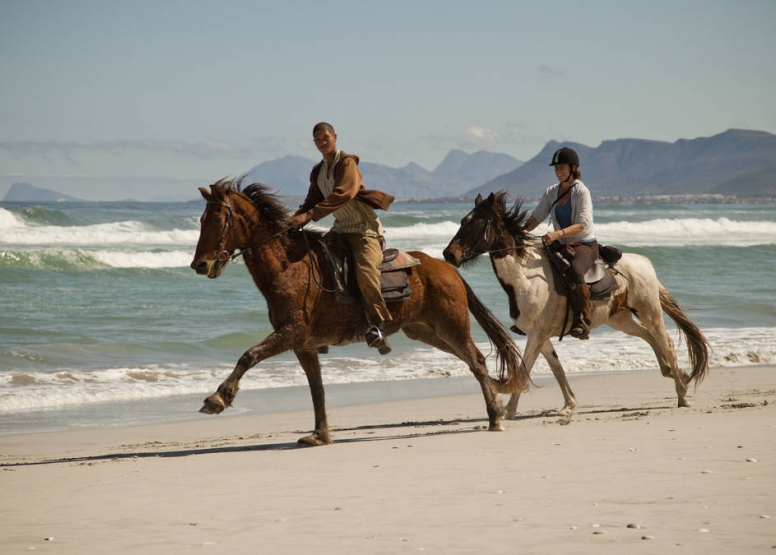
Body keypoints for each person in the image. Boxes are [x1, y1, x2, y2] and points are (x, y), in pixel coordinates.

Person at [290, 122, 394, 354]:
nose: (322, 142)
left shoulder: (347, 163)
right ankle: (321, 330)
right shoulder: (318, 171)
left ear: (335, 138)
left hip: (364, 230)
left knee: (366, 274)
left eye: (325, 137)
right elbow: (310, 202)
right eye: (317, 139)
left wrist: (309, 215)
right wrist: (291, 221)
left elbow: (343, 194)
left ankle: (378, 327)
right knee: (314, 267)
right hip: (340, 228)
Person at [524, 147, 596, 340]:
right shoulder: (551, 191)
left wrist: (557, 234)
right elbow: (538, 215)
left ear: (573, 167)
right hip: (560, 244)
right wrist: (524, 230)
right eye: (556, 168)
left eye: (562, 167)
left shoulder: (582, 192)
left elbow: (582, 224)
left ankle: (582, 320)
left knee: (575, 270)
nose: (558, 171)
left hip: (584, 245)